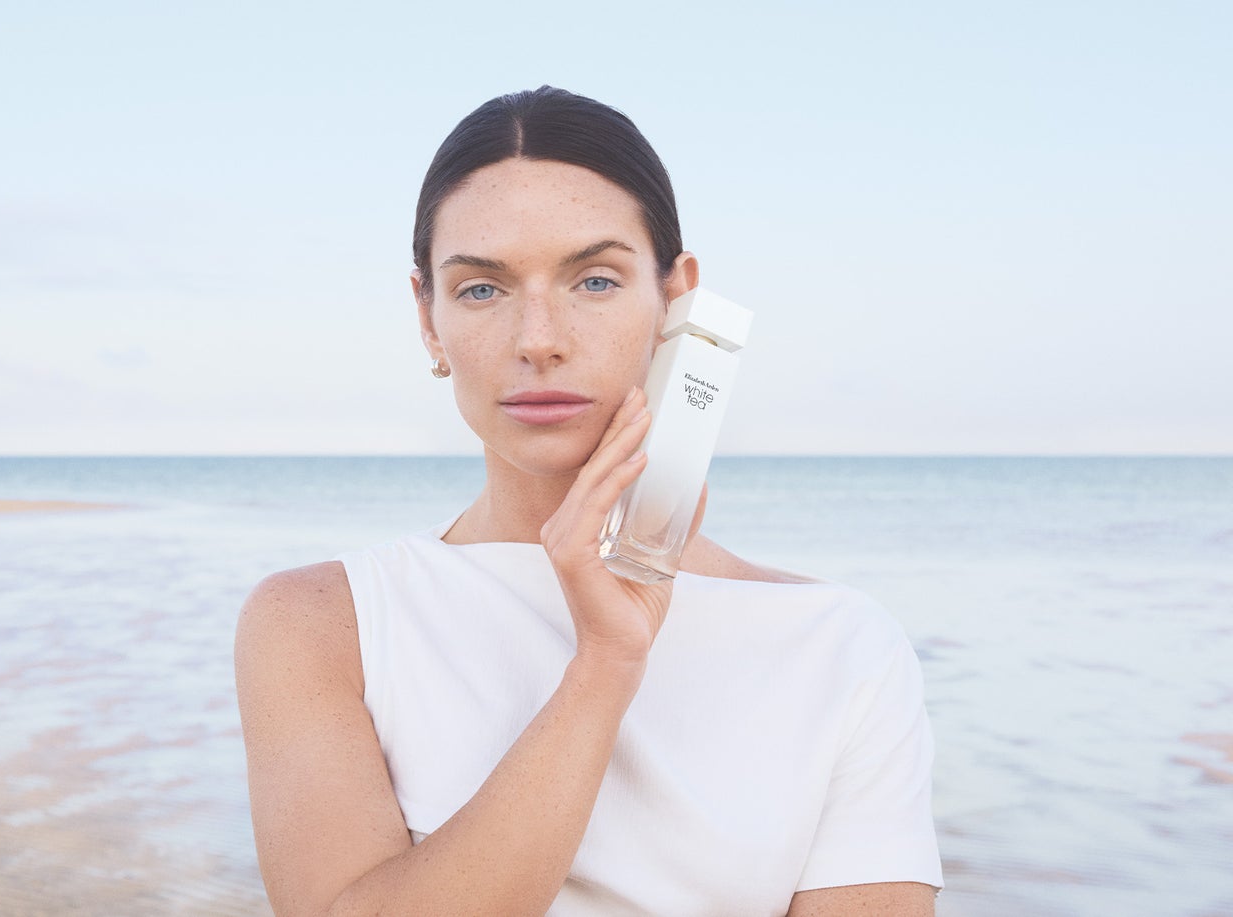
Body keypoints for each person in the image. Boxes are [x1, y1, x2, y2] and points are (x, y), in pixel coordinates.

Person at [234, 86, 943, 915]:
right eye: (481, 290)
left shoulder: (839, 646)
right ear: (427, 319)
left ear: (677, 299)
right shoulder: (322, 621)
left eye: (596, 281)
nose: (540, 339)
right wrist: (604, 666)